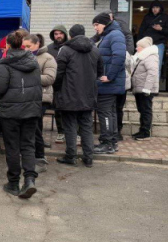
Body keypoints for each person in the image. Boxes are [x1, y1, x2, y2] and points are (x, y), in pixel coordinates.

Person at [0, 31, 42, 199]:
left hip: (10, 112)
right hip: (31, 110)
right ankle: (29, 179)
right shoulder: (33, 61)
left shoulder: (3, 64)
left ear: (7, 45)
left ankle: (13, 183)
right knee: (28, 145)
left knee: (12, 147)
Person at [53, 25, 103, 167]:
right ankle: (88, 157)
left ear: (70, 35)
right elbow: (100, 72)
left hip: (69, 95)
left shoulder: (65, 50)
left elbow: (59, 74)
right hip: (88, 95)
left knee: (70, 127)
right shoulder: (95, 50)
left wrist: (57, 90)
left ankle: (71, 156)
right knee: (86, 127)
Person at [91, 11, 134, 141]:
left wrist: (109, 76)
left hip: (108, 84)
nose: (95, 27)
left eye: (96, 24)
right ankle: (112, 140)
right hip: (108, 84)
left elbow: (119, 56)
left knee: (105, 114)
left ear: (104, 23)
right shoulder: (109, 35)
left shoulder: (115, 35)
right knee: (110, 113)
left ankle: (107, 142)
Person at [22, 34, 56, 173]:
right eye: (24, 46)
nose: (26, 49)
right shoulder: (25, 56)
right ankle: (32, 156)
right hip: (27, 97)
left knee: (34, 127)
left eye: (29, 46)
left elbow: (49, 78)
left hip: (41, 98)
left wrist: (28, 77)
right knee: (33, 127)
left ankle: (40, 158)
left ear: (38, 44)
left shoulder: (48, 58)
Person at [131, 37, 159, 140]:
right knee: (142, 110)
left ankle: (145, 132)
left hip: (146, 90)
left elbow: (152, 73)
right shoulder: (141, 57)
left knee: (146, 110)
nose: (136, 48)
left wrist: (147, 89)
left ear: (144, 48)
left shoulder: (150, 57)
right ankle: (142, 130)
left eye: (139, 46)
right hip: (140, 88)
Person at [138, 0, 168, 79]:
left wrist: (161, 29)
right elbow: (141, 31)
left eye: (157, 7)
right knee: (145, 64)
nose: (155, 9)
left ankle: (155, 86)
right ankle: (146, 85)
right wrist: (138, 44)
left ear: (160, 8)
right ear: (151, 8)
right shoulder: (147, 17)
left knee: (157, 65)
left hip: (159, 44)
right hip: (147, 44)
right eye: (153, 7)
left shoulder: (165, 17)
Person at [47, 25, 68, 143]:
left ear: (65, 34)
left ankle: (74, 132)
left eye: (60, 33)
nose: (58, 36)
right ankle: (61, 132)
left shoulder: (70, 47)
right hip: (55, 83)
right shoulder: (49, 49)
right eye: (56, 34)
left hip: (69, 83)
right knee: (58, 109)